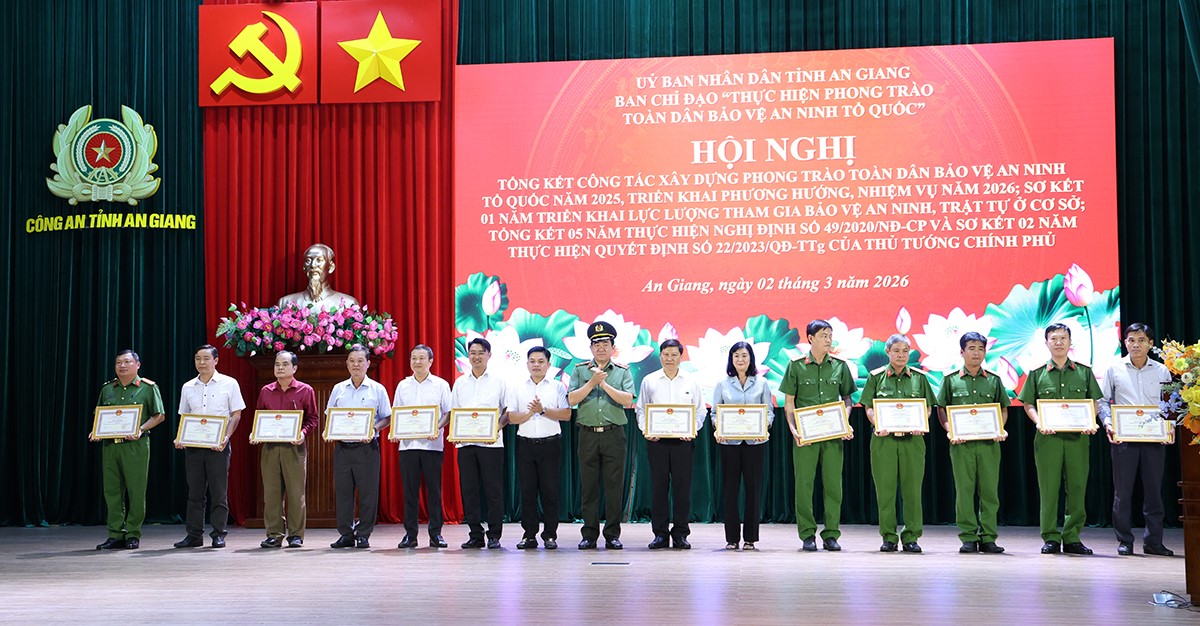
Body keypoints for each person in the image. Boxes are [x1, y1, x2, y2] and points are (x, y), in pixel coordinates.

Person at [1018, 323, 1103, 555]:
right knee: (1049, 488)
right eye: (1053, 338)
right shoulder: (1037, 373)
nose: (1058, 342)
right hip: (1048, 440)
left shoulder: (1084, 372)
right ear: (1046, 343)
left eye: (1063, 338)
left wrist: (1091, 420)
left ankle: (1072, 537)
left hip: (1078, 439)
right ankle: (1050, 537)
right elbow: (1028, 404)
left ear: (1070, 342)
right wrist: (1039, 422)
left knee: (1077, 487)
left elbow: (1093, 401)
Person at [779, 319, 857, 552]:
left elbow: (847, 399)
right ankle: (807, 534)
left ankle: (831, 534)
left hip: (833, 436)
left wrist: (845, 421)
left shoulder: (840, 366)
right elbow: (789, 402)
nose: (828, 339)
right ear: (811, 338)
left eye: (830, 335)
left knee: (833, 486)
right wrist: (793, 429)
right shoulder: (796, 366)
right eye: (824, 335)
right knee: (804, 485)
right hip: (806, 436)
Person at [1098, 323, 1175, 556]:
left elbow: (1170, 403)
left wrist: (1170, 428)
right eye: (1131, 340)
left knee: (1154, 492)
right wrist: (1108, 423)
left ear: (1150, 344)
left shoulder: (1162, 370)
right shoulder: (1114, 369)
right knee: (1122, 493)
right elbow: (1102, 401)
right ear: (1125, 343)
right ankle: (1125, 541)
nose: (1136, 345)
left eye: (1141, 340)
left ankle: (1154, 542)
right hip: (1124, 438)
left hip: (1155, 439)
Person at [860, 334, 936, 553]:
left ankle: (912, 537)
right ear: (888, 352)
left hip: (913, 441)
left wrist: (922, 422)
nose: (901, 355)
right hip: (884, 441)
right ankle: (889, 537)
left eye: (905, 351)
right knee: (885, 491)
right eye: (897, 351)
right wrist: (877, 422)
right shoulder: (876, 377)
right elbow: (868, 407)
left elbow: (928, 407)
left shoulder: (919, 378)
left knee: (912, 491)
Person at [936, 332, 1009, 554]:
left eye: (980, 349)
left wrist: (999, 428)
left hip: (988, 444)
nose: (976, 353)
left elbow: (1003, 408)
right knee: (964, 491)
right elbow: (941, 409)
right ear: (962, 352)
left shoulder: (994, 379)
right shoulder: (951, 379)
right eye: (971, 348)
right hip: (961, 444)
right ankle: (968, 536)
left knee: (989, 492)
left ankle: (988, 537)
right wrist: (950, 430)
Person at [568, 321, 635, 550]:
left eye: (605, 343)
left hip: (613, 434)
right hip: (587, 434)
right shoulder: (579, 370)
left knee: (614, 487)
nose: (601, 348)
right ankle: (589, 534)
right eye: (596, 344)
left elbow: (628, 400)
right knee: (589, 487)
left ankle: (612, 534)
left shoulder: (623, 371)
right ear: (591, 348)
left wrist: (603, 384)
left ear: (612, 347)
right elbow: (572, 399)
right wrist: (592, 382)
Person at [91, 349, 165, 550]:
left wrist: (141, 429)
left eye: (127, 362)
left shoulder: (148, 388)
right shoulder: (107, 389)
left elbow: (159, 415)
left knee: (136, 491)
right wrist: (96, 431)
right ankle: (115, 534)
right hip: (110, 446)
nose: (122, 366)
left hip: (136, 446)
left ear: (137, 365)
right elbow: (100, 415)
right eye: (118, 363)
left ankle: (133, 533)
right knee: (112, 492)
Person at [173, 344, 245, 549]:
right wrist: (180, 437)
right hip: (194, 447)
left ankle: (219, 534)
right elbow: (184, 417)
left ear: (216, 360)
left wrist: (226, 437)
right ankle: (194, 535)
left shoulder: (229, 383)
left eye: (206, 358)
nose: (201, 363)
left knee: (219, 493)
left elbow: (236, 414)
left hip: (218, 447)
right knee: (195, 494)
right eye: (198, 359)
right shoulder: (188, 386)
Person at [636, 339, 705, 549]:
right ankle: (660, 534)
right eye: (666, 354)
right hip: (657, 442)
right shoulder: (649, 380)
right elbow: (641, 409)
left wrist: (692, 429)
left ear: (681, 357)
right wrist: (646, 430)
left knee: (682, 489)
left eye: (674, 355)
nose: (669, 359)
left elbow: (700, 410)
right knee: (659, 488)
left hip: (683, 443)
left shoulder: (692, 381)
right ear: (660, 356)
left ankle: (681, 534)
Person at [327, 345, 392, 549]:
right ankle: (346, 534)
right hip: (342, 449)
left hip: (367, 449)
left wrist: (374, 428)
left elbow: (388, 417)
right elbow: (330, 415)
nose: (356, 365)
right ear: (347, 364)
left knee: (368, 493)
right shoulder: (338, 389)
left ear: (368, 363)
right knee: (343, 493)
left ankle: (364, 533)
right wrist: (329, 431)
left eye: (360, 361)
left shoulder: (377, 389)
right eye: (352, 361)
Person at [711, 341, 774, 551]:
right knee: (730, 490)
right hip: (729, 443)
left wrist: (763, 426)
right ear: (731, 359)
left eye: (744, 355)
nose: (740, 359)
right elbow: (715, 413)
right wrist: (719, 428)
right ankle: (731, 538)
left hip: (755, 443)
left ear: (751, 359)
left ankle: (750, 538)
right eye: (736, 355)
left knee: (753, 490)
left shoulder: (762, 383)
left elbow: (769, 412)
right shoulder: (722, 384)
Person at [254, 351, 319, 548]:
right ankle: (274, 534)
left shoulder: (305, 390)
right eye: (277, 364)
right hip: (270, 448)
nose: (280, 368)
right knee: (271, 493)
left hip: (294, 448)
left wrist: (303, 433)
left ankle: (296, 535)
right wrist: (256, 433)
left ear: (294, 368)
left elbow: (313, 418)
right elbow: (259, 417)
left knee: (296, 493)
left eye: (284, 364)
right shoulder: (266, 391)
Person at [507, 346, 571, 550]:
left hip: (550, 444)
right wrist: (530, 413)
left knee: (550, 491)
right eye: (532, 361)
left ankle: (550, 535)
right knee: (527, 492)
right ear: (527, 364)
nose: (536, 365)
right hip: (525, 444)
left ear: (548, 364)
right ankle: (529, 535)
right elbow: (511, 417)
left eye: (541, 361)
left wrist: (542, 410)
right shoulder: (517, 387)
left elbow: (566, 414)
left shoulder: (558, 387)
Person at [452, 337, 511, 549]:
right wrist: (457, 432)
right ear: (468, 356)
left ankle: (494, 535)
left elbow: (507, 411)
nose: (476, 357)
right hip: (466, 445)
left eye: (480, 353)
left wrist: (496, 428)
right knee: (469, 491)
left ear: (489, 355)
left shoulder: (499, 381)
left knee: (493, 491)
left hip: (491, 445)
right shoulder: (460, 383)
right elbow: (454, 412)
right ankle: (475, 535)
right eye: (472, 353)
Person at [393, 344, 452, 549]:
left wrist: (437, 427)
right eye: (413, 358)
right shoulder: (403, 385)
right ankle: (410, 535)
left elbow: (448, 413)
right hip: (407, 446)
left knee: (434, 492)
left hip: (432, 446)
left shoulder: (441, 385)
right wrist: (396, 432)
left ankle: (436, 534)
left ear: (430, 361)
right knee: (410, 493)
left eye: (421, 358)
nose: (417, 362)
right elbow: (397, 413)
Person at [277, 243, 360, 311]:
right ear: (304, 268)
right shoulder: (285, 303)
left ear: (331, 267)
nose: (313, 265)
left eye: (319, 260)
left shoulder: (349, 304)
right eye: (308, 260)